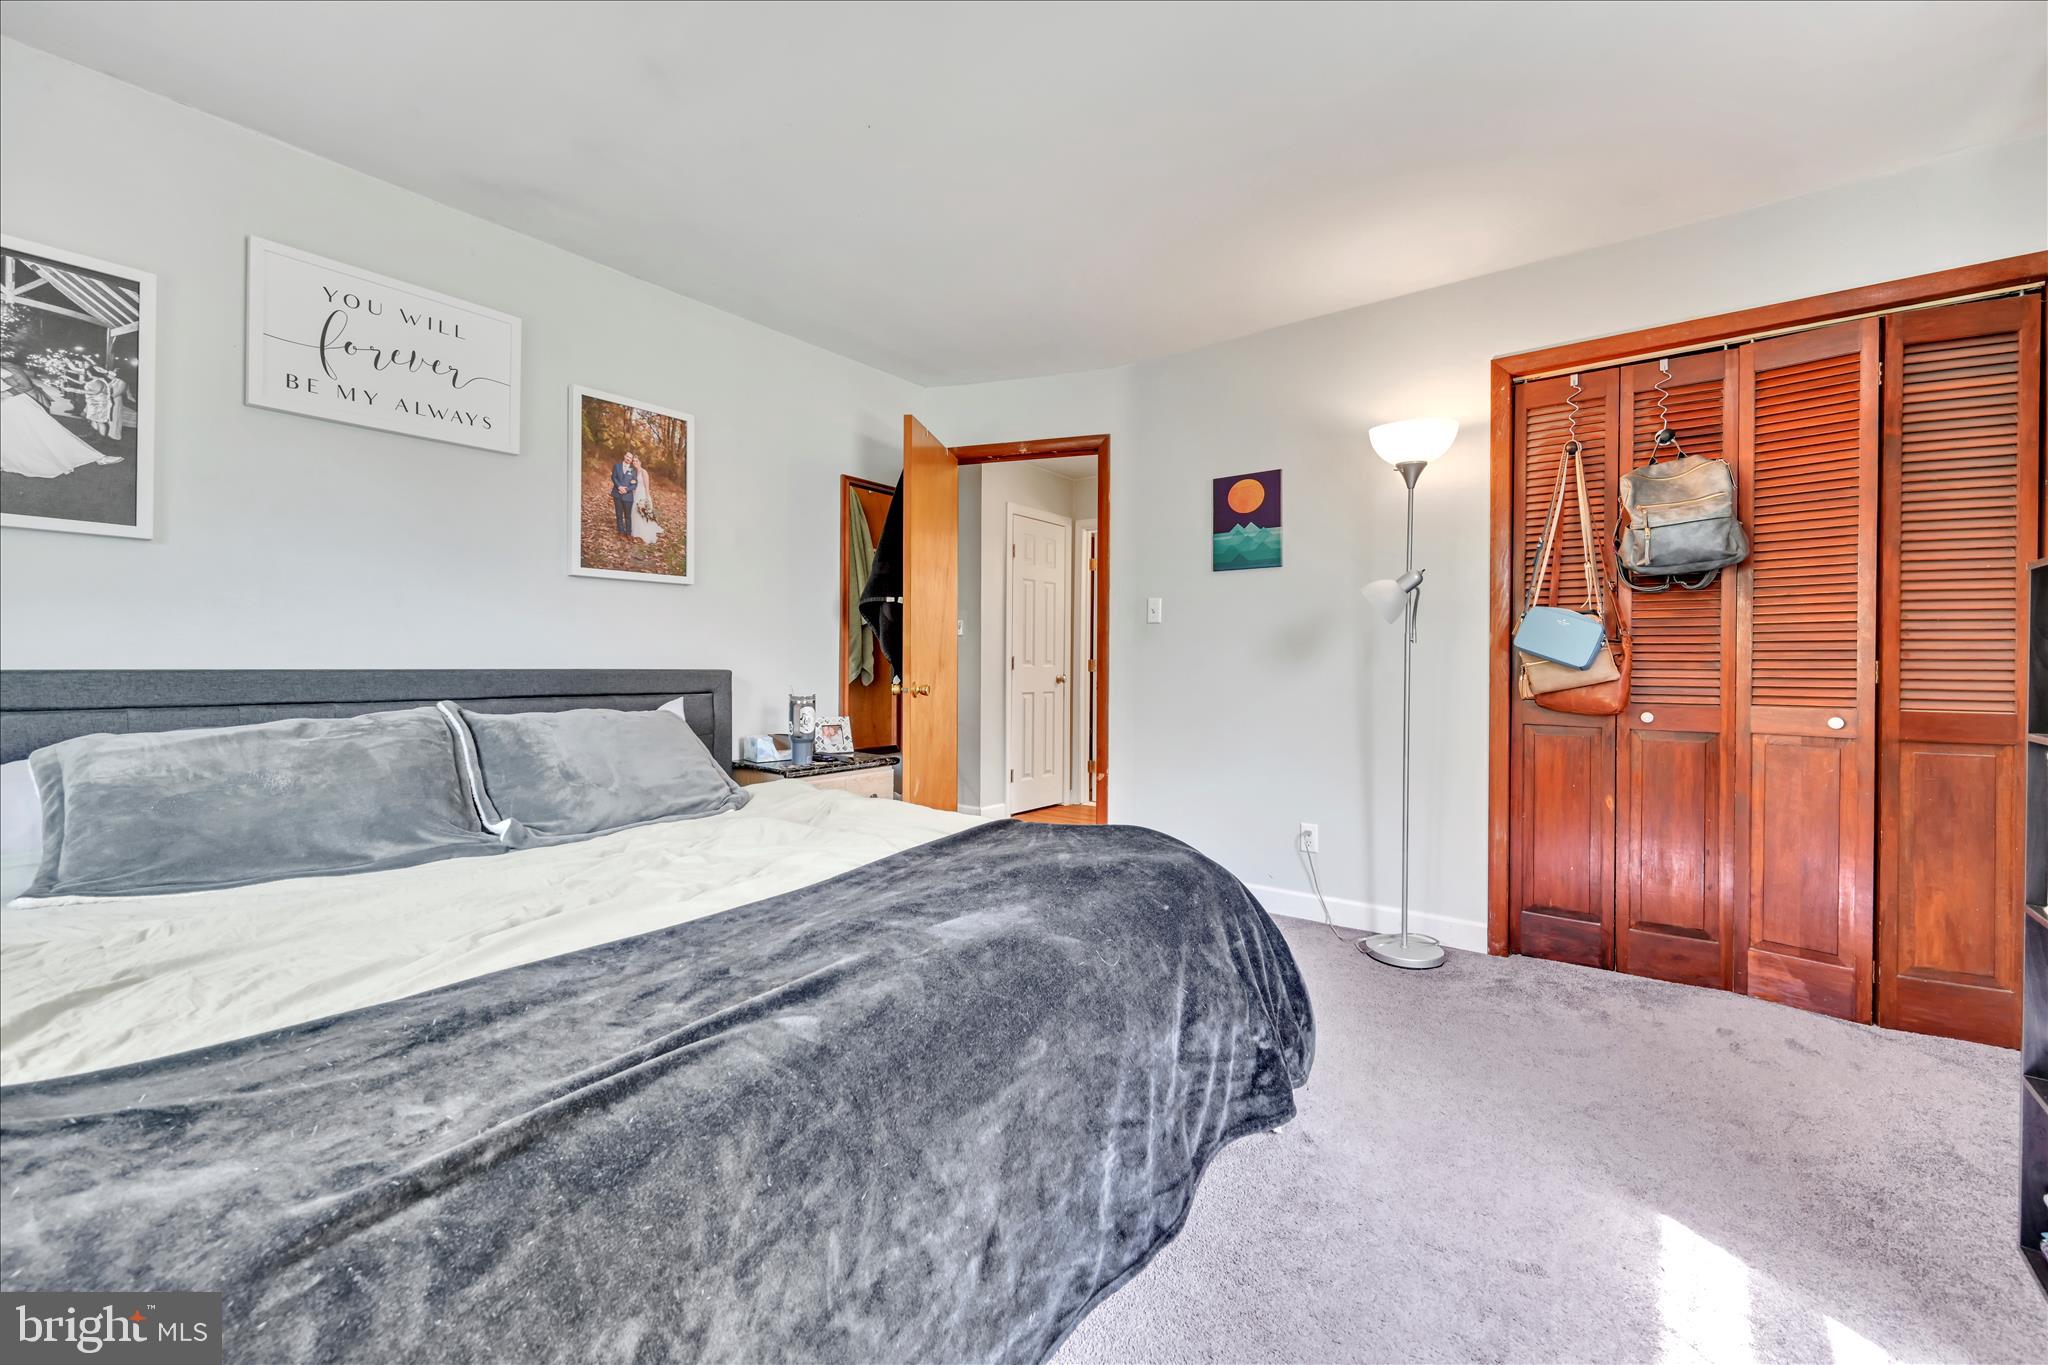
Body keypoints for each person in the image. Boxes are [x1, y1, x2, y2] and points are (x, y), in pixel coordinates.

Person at [1, 361, 123, 478]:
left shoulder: (7, 365)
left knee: (45, 431)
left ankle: (92, 455)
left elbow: (25, 385)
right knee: (14, 433)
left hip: (15, 402)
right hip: (6, 406)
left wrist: (3, 394)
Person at [627, 453, 663, 544]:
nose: (635, 462)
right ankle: (635, 531)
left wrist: (647, 498)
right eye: (633, 461)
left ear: (640, 462)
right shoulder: (633, 472)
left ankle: (643, 532)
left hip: (642, 494)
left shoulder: (644, 472)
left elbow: (647, 487)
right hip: (634, 494)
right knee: (634, 512)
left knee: (641, 512)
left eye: (636, 461)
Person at [609, 453, 639, 538]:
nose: (628, 458)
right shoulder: (617, 466)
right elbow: (613, 477)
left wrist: (626, 489)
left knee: (628, 516)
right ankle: (621, 532)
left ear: (631, 460)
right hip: (617, 493)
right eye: (627, 456)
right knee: (619, 514)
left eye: (630, 458)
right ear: (624, 456)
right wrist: (619, 486)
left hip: (628, 496)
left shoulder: (633, 470)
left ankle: (628, 533)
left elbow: (634, 484)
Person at [100, 369, 129, 442]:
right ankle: (109, 434)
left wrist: (108, 396)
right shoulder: (114, 380)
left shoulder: (123, 382)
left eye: (114, 372)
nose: (112, 373)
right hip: (110, 401)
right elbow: (107, 387)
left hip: (116, 401)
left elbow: (117, 393)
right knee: (109, 418)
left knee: (115, 417)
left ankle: (114, 436)